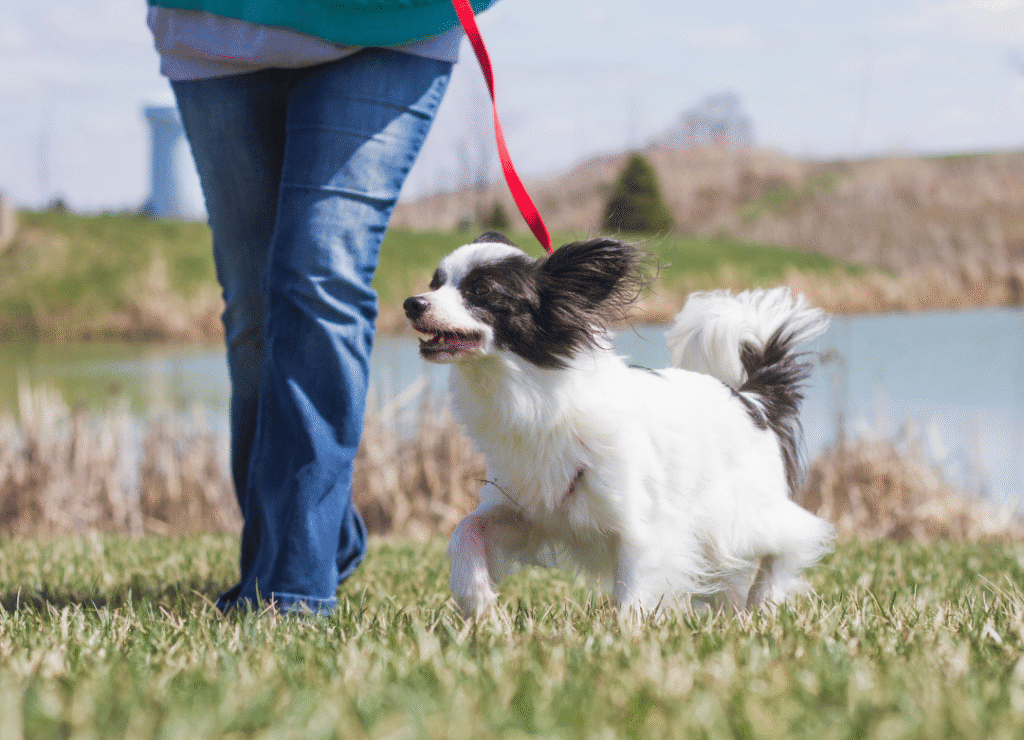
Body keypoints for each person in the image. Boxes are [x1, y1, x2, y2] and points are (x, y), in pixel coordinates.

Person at [146, 1, 494, 614]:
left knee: (319, 274)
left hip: (389, 24)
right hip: (217, 22)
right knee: (255, 307)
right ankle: (320, 531)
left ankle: (291, 587)